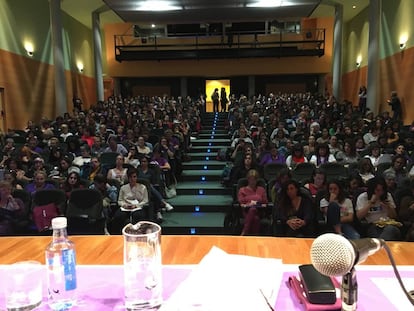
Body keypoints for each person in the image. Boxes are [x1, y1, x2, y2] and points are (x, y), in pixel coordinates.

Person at [355, 176, 401, 240]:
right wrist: (370, 203)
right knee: (382, 235)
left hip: (389, 224)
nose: (380, 193)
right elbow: (358, 216)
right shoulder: (363, 197)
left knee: (390, 230)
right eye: (378, 190)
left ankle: (380, 246)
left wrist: (388, 207)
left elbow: (394, 216)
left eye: (382, 190)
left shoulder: (387, 196)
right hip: (372, 225)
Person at [112, 168, 150, 233]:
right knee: (118, 216)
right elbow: (120, 200)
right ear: (128, 178)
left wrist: (136, 205)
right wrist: (124, 205)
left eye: (134, 177)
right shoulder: (123, 188)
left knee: (138, 215)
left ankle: (138, 233)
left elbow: (145, 200)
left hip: (137, 207)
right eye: (130, 177)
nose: (132, 179)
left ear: (137, 177)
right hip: (126, 207)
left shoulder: (143, 187)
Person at [237, 169, 268, 235]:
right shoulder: (242, 190)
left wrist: (256, 204)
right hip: (246, 211)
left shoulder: (261, 190)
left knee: (253, 209)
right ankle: (255, 236)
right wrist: (249, 204)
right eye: (251, 179)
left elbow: (265, 203)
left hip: (260, 211)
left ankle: (244, 232)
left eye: (254, 179)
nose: (252, 181)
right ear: (248, 179)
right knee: (255, 218)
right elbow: (241, 204)